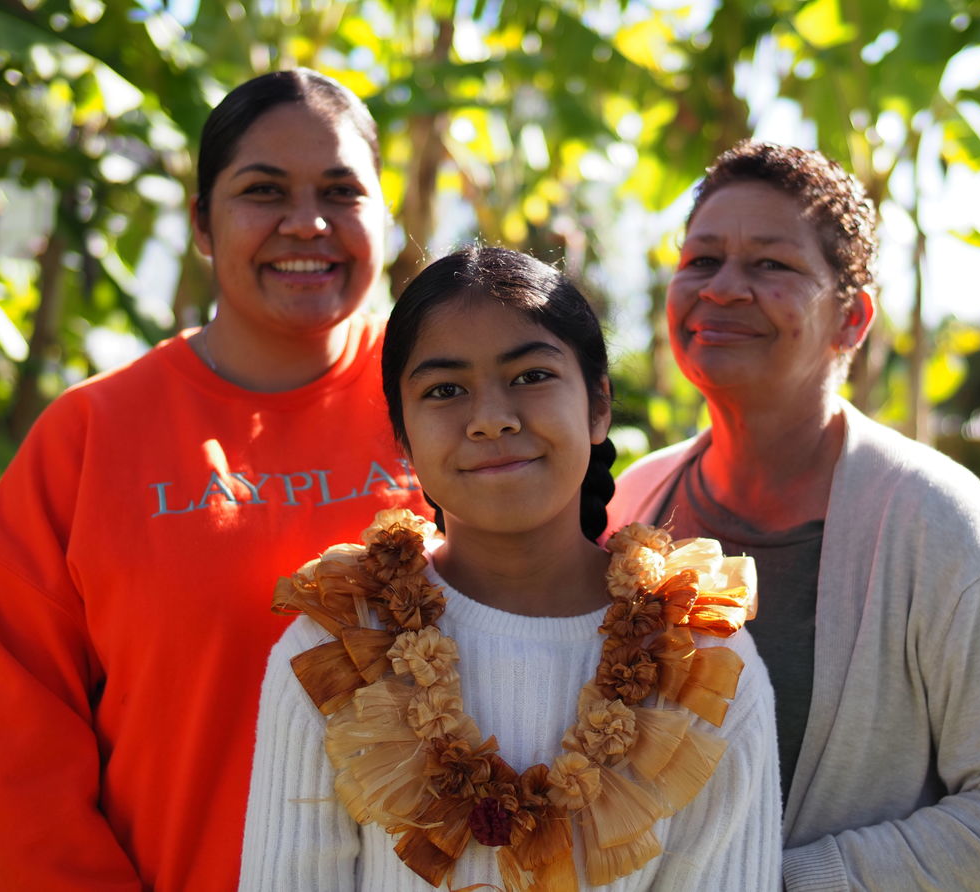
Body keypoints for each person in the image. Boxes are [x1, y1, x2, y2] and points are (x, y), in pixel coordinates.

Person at [0, 69, 428, 891]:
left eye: (341, 192)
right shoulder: (88, 440)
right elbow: (7, 769)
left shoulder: (453, 402)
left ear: (382, 213)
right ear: (202, 222)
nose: (306, 222)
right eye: (262, 190)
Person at [607, 140, 980, 890]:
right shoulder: (634, 500)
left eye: (770, 264)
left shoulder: (935, 521)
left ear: (852, 319)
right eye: (701, 261)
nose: (723, 289)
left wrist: (776, 882)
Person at [239, 246, 781, 890]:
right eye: (445, 390)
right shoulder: (337, 650)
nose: (492, 419)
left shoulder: (702, 667)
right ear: (403, 437)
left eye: (530, 376)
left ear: (599, 404)